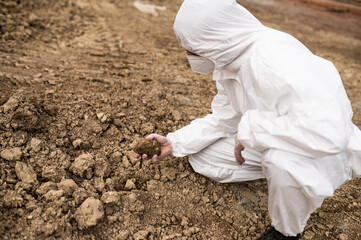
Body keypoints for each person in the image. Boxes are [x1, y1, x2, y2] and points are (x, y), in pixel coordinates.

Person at [140, 0, 361, 239]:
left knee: (281, 160)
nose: (189, 54)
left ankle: (286, 232)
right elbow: (224, 118)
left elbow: (328, 130)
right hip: (274, 136)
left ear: (213, 38)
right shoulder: (231, 63)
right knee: (204, 158)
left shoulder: (273, 58)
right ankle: (283, 182)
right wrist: (175, 142)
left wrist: (251, 129)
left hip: (325, 150)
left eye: (191, 47)